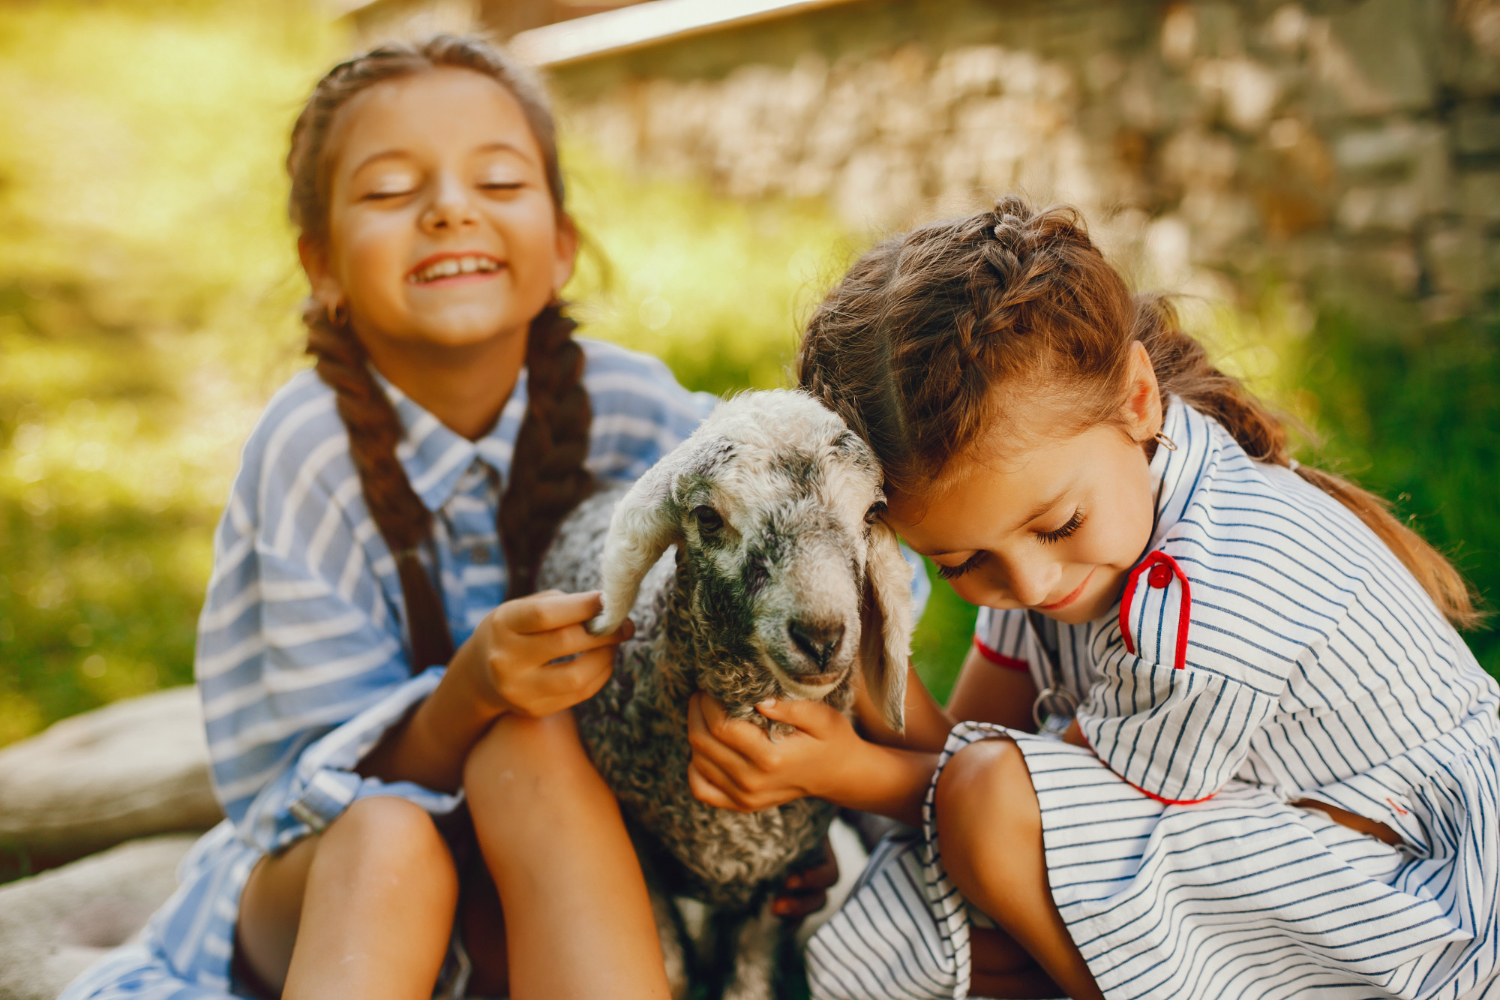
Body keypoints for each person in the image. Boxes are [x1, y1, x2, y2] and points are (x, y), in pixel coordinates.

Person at [61, 35, 833, 1000]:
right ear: (322, 264)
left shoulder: (641, 416)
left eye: (499, 181)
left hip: (565, 881)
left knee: (531, 744)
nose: (449, 208)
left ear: (560, 246)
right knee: (407, 820)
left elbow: (803, 546)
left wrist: (788, 812)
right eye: (390, 192)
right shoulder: (309, 452)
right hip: (337, 889)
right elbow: (304, 788)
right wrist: (468, 694)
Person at [685, 196, 1500, 1000]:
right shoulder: (1049, 539)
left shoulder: (1209, 594)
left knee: (983, 824)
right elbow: (972, 748)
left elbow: (1007, 805)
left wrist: (845, 774)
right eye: (964, 563)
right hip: (1279, 860)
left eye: (1060, 523)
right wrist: (856, 689)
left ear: (1136, 399)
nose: (1031, 586)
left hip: (1426, 907)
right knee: (960, 886)